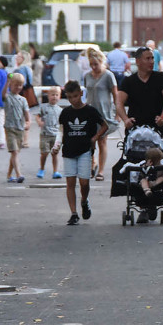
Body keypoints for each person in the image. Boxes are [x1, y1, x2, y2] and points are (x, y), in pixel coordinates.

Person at [116, 46, 163, 222]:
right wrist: (125, 119)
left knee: (156, 166)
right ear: (138, 61)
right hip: (135, 130)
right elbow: (119, 102)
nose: (151, 62)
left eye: (152, 58)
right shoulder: (129, 81)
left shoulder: (160, 78)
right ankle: (143, 204)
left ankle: (153, 202)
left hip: (155, 130)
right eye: (147, 58)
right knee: (137, 167)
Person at [52, 80, 108, 225]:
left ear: (81, 94)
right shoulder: (65, 112)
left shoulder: (90, 111)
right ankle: (73, 213)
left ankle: (84, 201)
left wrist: (95, 138)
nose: (73, 100)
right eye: (70, 97)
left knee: (84, 182)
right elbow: (61, 130)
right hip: (69, 150)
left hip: (85, 150)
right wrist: (57, 145)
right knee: (70, 182)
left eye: (75, 96)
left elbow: (104, 126)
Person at [83, 48, 119, 180]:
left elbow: (115, 95)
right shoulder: (87, 76)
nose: (93, 67)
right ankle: (93, 164)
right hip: (90, 112)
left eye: (95, 64)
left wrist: (117, 114)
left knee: (102, 141)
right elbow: (86, 94)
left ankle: (101, 171)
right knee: (89, 141)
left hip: (104, 113)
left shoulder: (108, 75)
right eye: (91, 64)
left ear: (101, 62)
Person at [3, 73, 31, 183]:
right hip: (10, 128)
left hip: (20, 129)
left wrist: (28, 123)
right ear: (11, 85)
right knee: (14, 152)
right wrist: (7, 81)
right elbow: (3, 93)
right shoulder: (8, 97)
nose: (18, 87)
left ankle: (9, 175)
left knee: (15, 153)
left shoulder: (23, 100)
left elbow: (27, 115)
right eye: (16, 85)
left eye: (20, 85)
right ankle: (19, 174)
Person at [35, 85, 63, 179]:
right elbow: (38, 115)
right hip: (45, 134)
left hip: (56, 136)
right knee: (44, 153)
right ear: (48, 96)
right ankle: (42, 168)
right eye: (52, 95)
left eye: (56, 95)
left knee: (55, 154)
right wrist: (39, 121)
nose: (54, 97)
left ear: (59, 96)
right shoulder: (43, 107)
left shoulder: (60, 110)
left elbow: (62, 122)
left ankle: (55, 171)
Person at [14, 52, 35, 147]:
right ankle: (25, 140)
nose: (16, 58)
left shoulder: (21, 68)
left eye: (19, 56)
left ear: (23, 58)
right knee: (26, 116)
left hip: (21, 94)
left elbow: (22, 82)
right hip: (29, 94)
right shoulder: (28, 68)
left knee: (20, 117)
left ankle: (21, 140)